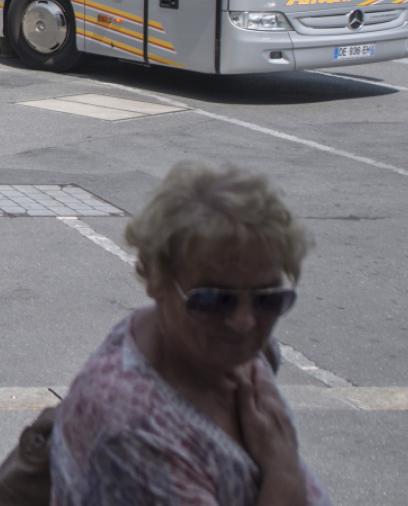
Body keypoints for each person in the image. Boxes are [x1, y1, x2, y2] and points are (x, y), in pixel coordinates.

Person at [50, 163, 331, 506]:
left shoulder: (224, 352)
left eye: (268, 300)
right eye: (213, 300)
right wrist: (284, 472)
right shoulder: (133, 435)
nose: (244, 322)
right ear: (154, 277)